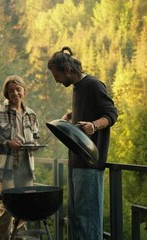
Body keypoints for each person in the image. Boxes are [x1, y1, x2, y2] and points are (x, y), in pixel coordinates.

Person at [47, 46, 118, 240]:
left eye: (57, 76)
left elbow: (111, 114)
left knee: (88, 219)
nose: (57, 81)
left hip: (90, 163)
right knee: (75, 218)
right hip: (75, 161)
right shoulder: (77, 88)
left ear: (68, 70)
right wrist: (72, 116)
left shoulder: (94, 84)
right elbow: (88, 110)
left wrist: (94, 126)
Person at [0, 75, 40, 240]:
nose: (15, 93)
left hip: (25, 167)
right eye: (11, 90)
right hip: (3, 167)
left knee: (24, 208)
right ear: (6, 93)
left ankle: (19, 239)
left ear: (24, 91)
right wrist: (7, 143)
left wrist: (34, 144)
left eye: (18, 89)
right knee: (6, 208)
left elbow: (36, 137)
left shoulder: (31, 114)